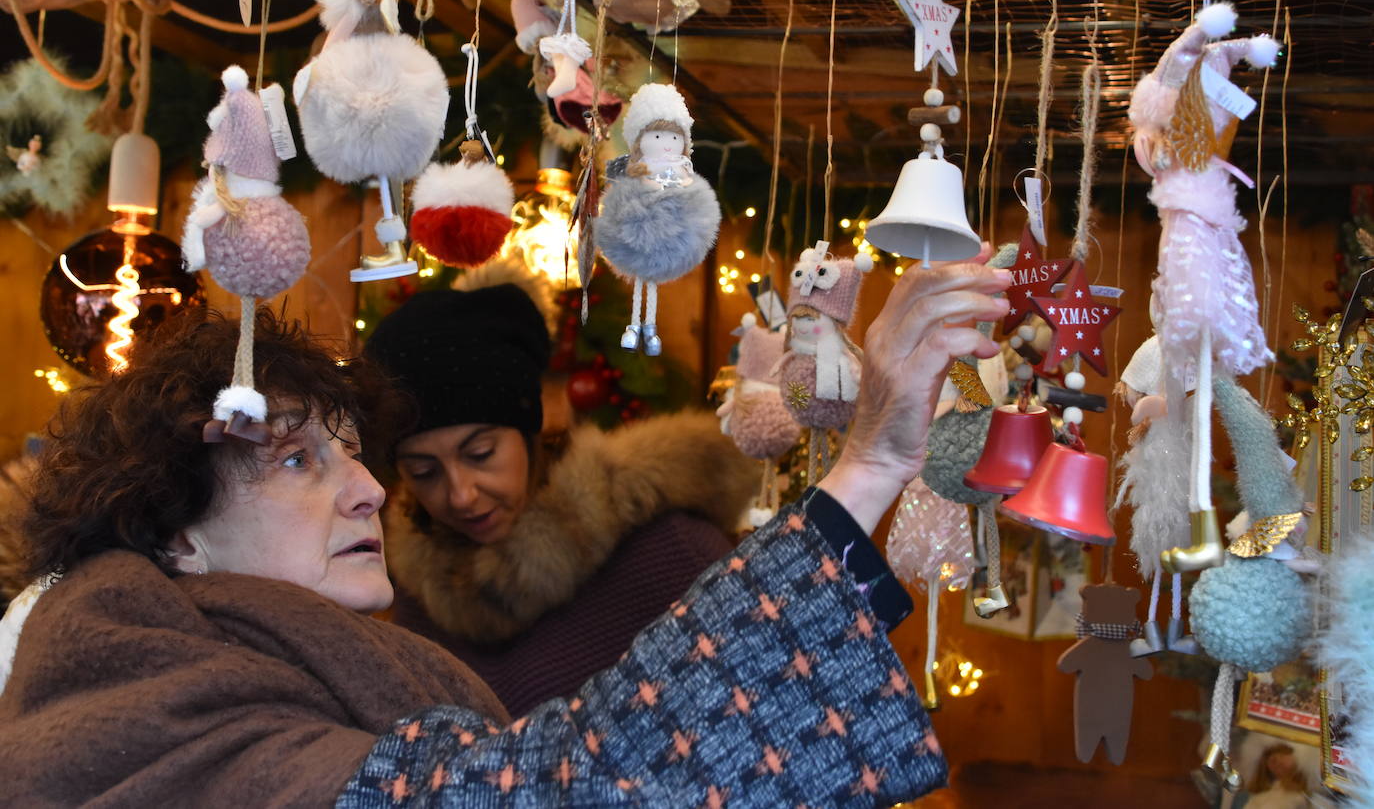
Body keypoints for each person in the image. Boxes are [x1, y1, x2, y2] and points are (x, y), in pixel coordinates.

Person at [0, 246, 1011, 806]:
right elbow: (555, 792)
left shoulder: (238, 665)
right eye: (300, 459)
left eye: (355, 456)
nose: (369, 492)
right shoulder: (156, 717)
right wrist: (869, 466)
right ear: (177, 535)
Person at [361, 275, 758, 714]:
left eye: (480, 454)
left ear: (530, 432)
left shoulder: (670, 550)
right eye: (424, 472)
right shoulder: (421, 587)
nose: (461, 496)